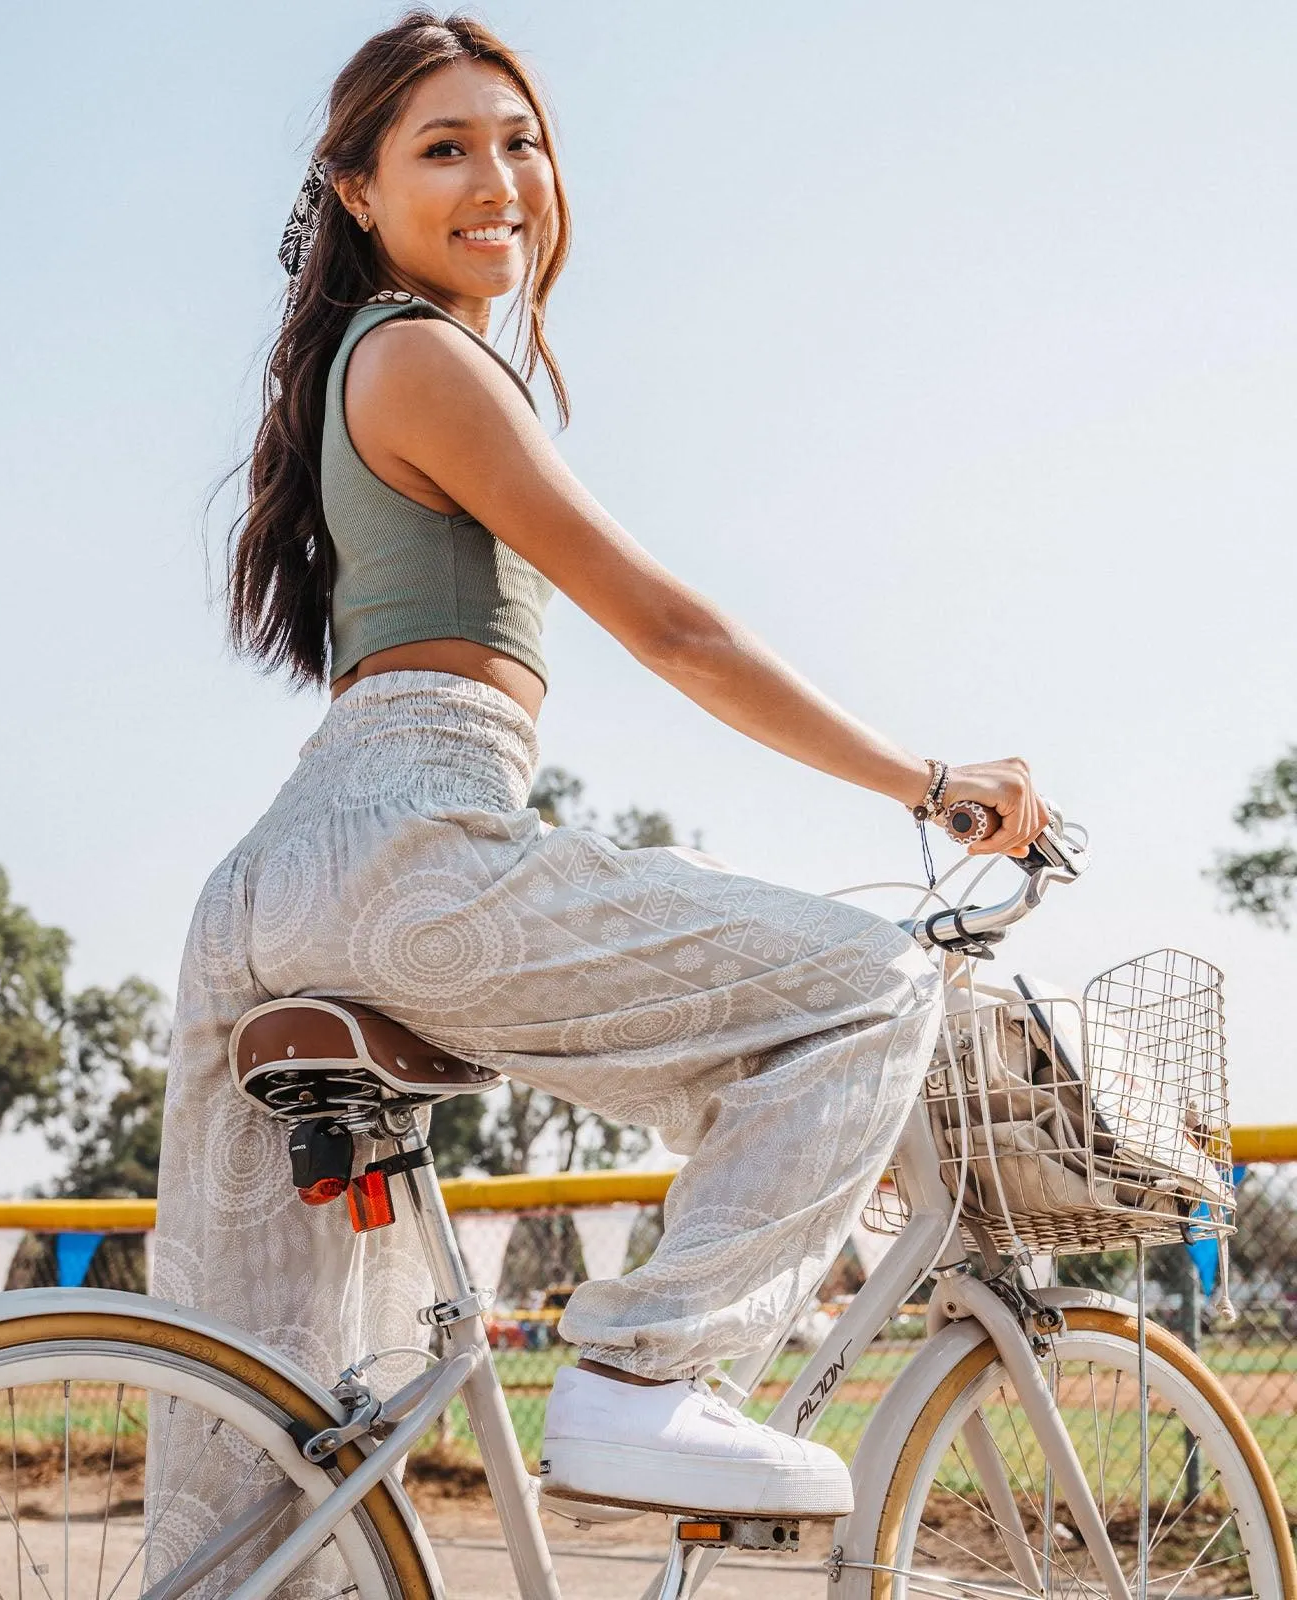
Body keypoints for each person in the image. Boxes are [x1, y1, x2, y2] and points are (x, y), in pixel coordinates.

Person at [145, 6, 1048, 1571]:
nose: (500, 176)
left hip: (281, 881)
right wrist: (933, 780)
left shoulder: (371, 364)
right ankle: (645, 1372)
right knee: (870, 990)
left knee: (270, 1442)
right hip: (409, 846)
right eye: (445, 148)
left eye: (522, 139)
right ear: (356, 192)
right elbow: (674, 629)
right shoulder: (424, 354)